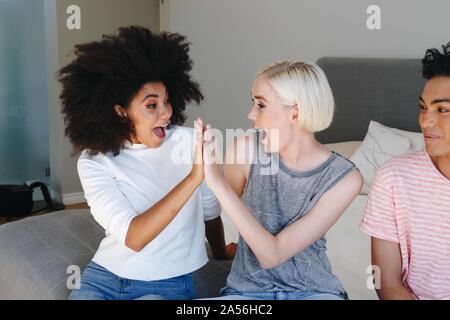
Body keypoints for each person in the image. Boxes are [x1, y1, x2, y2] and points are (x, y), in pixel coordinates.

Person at [59, 26, 235, 300]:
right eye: (151, 105)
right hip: (103, 276)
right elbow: (134, 237)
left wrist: (222, 253)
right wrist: (193, 178)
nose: (166, 112)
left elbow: (210, 212)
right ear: (121, 111)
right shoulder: (95, 160)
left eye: (166, 101)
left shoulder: (190, 143)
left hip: (167, 283)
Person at [199, 60, 363, 300]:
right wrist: (221, 252)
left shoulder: (344, 178)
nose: (251, 114)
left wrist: (216, 182)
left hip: (314, 293)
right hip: (246, 293)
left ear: (294, 112)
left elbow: (273, 255)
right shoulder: (245, 150)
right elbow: (217, 215)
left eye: (260, 105)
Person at [360, 43, 450, 300]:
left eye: (442, 109)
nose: (425, 121)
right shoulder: (394, 178)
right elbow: (387, 283)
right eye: (423, 107)